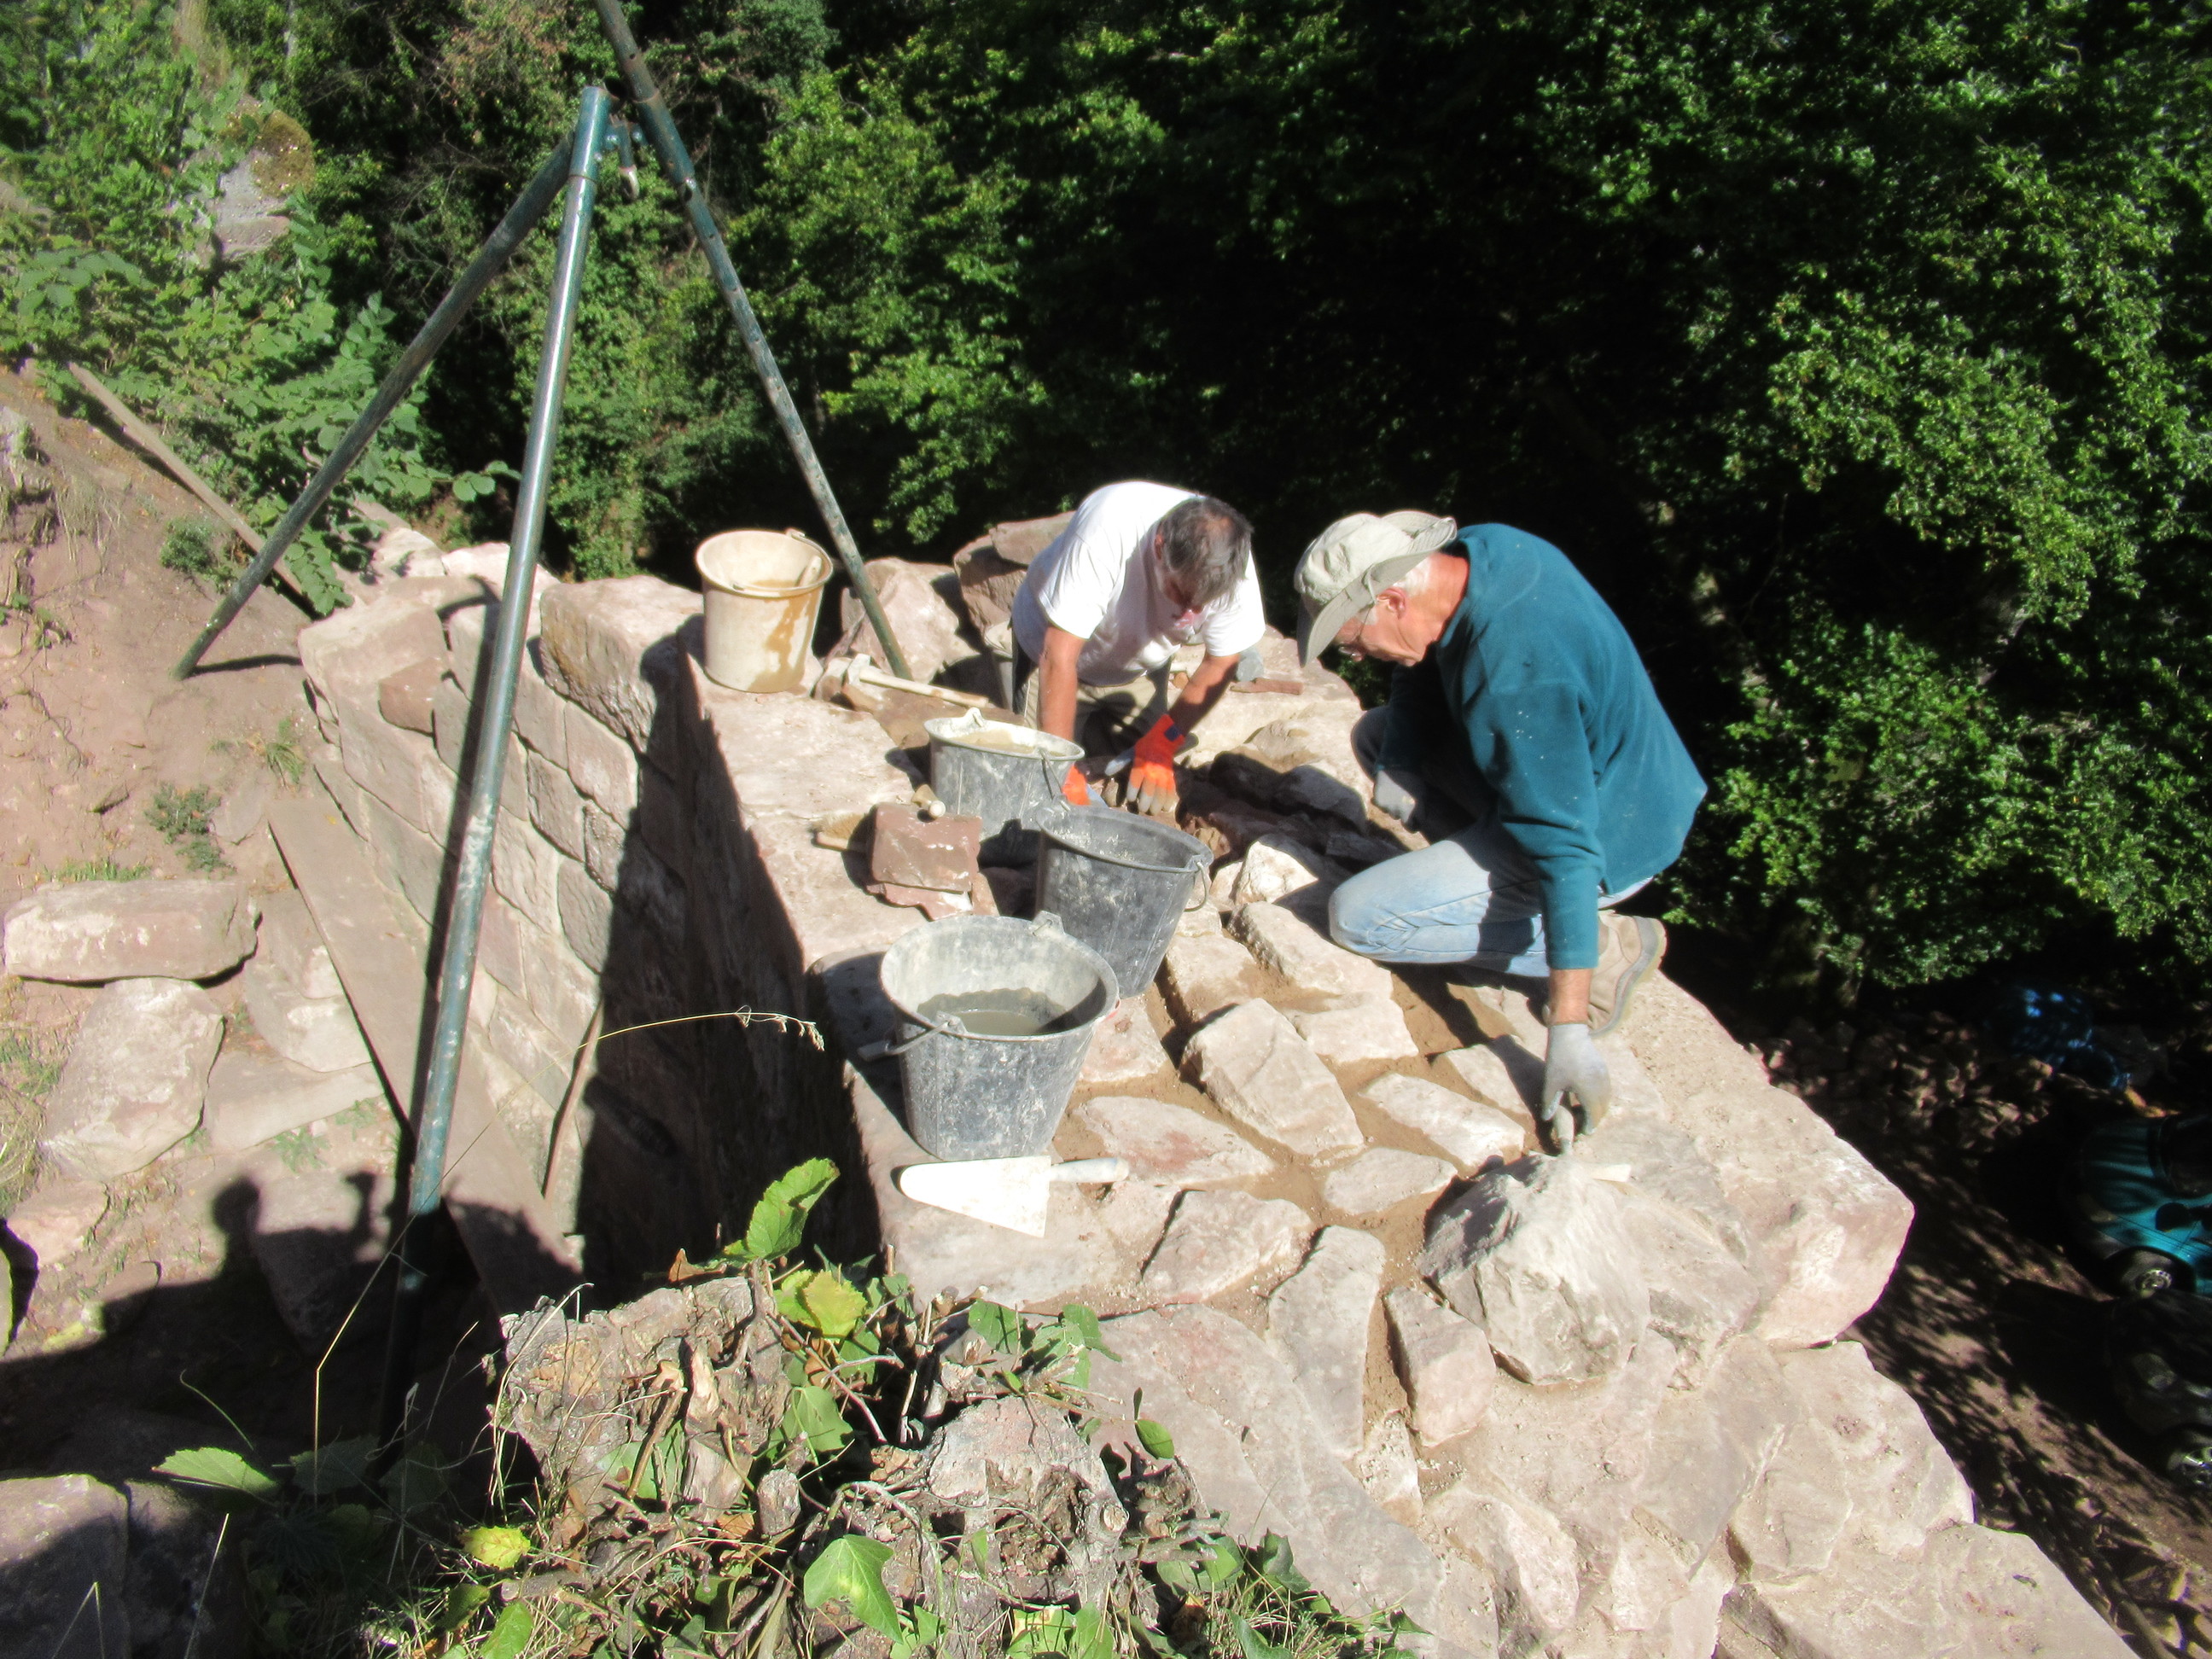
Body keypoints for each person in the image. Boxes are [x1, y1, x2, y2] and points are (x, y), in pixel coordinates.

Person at [1294, 511, 1706, 1148]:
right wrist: (1400, 757)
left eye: (1353, 643)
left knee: (1360, 918)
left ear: (1394, 599)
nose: (1357, 656)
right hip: (1589, 778)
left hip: (1610, 833)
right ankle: (1489, 876)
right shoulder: (1477, 556)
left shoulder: (1516, 670)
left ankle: (1604, 950)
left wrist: (1567, 1029)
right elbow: (1418, 664)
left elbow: (1566, 847)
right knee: (1377, 735)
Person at [1010, 481, 1264, 814]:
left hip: (1138, 665)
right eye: (1182, 594)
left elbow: (1221, 662)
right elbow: (1058, 656)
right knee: (1038, 788)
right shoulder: (1109, 528)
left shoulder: (1230, 564)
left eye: (1204, 603)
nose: (1191, 614)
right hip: (1050, 651)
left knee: (1140, 785)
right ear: (1159, 547)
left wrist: (1165, 740)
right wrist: (1060, 768)